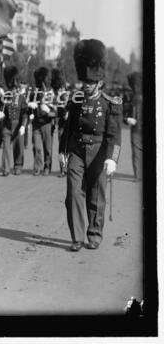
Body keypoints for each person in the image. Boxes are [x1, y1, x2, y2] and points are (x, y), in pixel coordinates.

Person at [59, 39, 122, 252]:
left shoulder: (110, 103)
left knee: (96, 195)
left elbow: (114, 136)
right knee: (73, 193)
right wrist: (62, 151)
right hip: (76, 149)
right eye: (83, 81)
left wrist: (112, 159)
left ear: (99, 83)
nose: (84, 85)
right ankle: (77, 236)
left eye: (89, 82)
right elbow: (67, 127)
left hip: (98, 151)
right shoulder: (76, 100)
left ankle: (94, 233)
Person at [0, 66, 27, 176]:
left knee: (18, 147)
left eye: (15, 90)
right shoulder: (4, 96)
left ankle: (18, 165)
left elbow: (24, 113)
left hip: (18, 124)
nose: (13, 91)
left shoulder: (22, 98)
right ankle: (6, 168)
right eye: (12, 90)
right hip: (6, 125)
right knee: (6, 147)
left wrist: (23, 126)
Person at [29, 67, 55, 176]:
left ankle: (47, 166)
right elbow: (28, 104)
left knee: (47, 148)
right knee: (37, 147)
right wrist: (30, 106)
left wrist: (49, 110)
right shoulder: (35, 91)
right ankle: (37, 167)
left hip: (47, 123)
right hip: (36, 123)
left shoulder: (52, 92)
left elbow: (57, 111)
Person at [124, 71, 142, 184]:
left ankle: (138, 175)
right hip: (137, 128)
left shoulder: (136, 97)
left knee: (136, 153)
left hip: (137, 129)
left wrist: (130, 120)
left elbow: (135, 114)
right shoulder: (136, 96)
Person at [51, 69, 68, 177]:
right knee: (61, 148)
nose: (61, 90)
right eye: (59, 89)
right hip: (62, 125)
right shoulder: (55, 99)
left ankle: (69, 168)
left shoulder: (71, 97)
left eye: (62, 88)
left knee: (69, 148)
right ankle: (62, 169)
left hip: (70, 126)